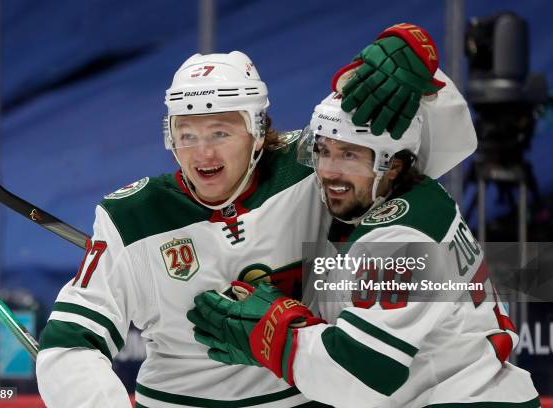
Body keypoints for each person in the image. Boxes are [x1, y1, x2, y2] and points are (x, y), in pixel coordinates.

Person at [36, 23, 472, 407]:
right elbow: (70, 345)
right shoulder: (130, 216)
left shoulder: (313, 167)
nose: (202, 152)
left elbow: (428, 151)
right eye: (186, 134)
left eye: (220, 132)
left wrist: (422, 77)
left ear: (260, 130)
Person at [187, 91, 541, 407]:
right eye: (323, 151)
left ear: (393, 166)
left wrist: (276, 334)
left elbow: (360, 376)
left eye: (349, 155)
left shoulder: (404, 239)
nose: (328, 171)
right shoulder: (393, 198)